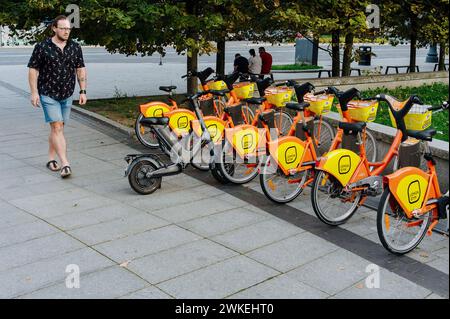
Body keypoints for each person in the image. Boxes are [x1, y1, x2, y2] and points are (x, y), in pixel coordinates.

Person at [28, 15, 87, 178]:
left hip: (67, 93)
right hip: (48, 93)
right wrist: (34, 92)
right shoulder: (42, 47)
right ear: (54, 28)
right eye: (63, 28)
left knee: (58, 128)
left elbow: (80, 68)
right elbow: (33, 70)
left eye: (68, 28)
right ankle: (65, 163)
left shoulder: (75, 47)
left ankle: (50, 158)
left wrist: (83, 91)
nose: (66, 31)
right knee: (57, 127)